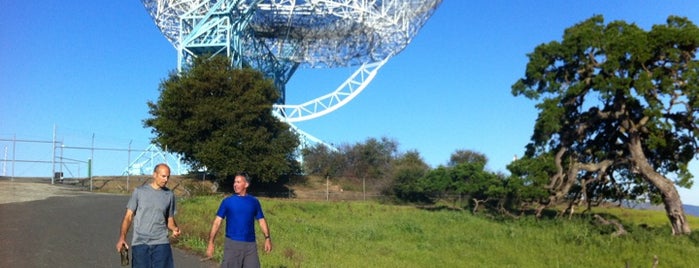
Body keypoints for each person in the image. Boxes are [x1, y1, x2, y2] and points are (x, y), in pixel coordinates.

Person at [116, 163, 181, 268]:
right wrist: (122, 238)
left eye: (168, 177)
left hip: (161, 243)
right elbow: (128, 217)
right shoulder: (139, 192)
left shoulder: (169, 195)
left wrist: (175, 229)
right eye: (163, 176)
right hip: (141, 243)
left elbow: (170, 220)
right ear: (154, 175)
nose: (166, 180)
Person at [206, 172, 272, 268]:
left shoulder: (254, 202)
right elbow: (217, 222)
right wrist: (211, 242)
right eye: (234, 182)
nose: (235, 184)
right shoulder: (227, 202)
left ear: (246, 184)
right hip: (232, 244)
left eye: (238, 182)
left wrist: (267, 238)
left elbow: (261, 220)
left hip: (250, 246)